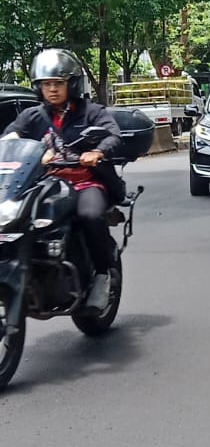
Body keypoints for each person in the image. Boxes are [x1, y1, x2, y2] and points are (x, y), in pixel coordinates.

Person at [5, 48, 124, 313]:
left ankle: (103, 275)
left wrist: (97, 152)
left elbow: (113, 135)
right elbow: (11, 138)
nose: (52, 89)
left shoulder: (91, 112)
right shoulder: (32, 116)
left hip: (84, 183)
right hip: (45, 185)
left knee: (90, 215)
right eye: (46, 84)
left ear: (72, 84)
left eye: (58, 83)